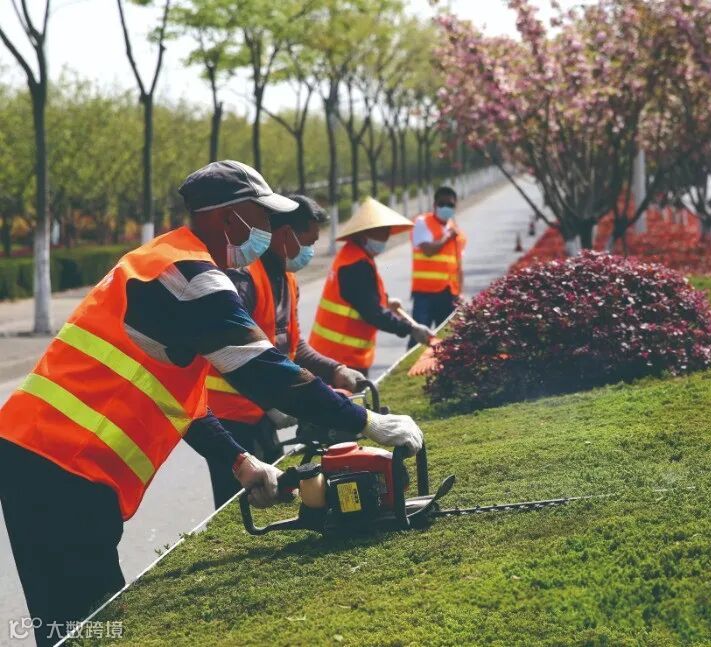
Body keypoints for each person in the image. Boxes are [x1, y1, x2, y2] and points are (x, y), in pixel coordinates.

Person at [0, 161, 423, 647]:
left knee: (73, 617)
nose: (268, 229)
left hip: (47, 458)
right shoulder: (192, 275)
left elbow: (182, 402)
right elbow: (264, 368)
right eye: (263, 217)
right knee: (85, 624)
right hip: (60, 463)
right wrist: (365, 421)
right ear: (230, 217)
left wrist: (240, 462)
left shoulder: (170, 260)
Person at [201, 194, 366, 509]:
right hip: (228, 417)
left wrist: (335, 370)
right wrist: (273, 403)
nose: (310, 251)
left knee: (278, 492)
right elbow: (230, 352)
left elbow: (293, 345)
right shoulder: (243, 280)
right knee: (237, 505)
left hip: (261, 410)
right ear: (285, 234)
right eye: (308, 241)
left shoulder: (288, 280)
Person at [310, 197, 433, 377]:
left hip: (331, 354)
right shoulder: (357, 265)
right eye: (381, 232)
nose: (385, 238)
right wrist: (410, 329)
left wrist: (385, 302)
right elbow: (372, 313)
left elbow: (358, 296)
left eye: (387, 232)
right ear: (364, 234)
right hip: (341, 358)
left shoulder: (352, 255)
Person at [410, 186, 466, 337]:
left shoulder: (457, 233)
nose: (446, 207)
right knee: (420, 339)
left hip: (448, 294)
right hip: (425, 293)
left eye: (450, 205)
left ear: (455, 206)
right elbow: (428, 250)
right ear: (434, 205)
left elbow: (459, 266)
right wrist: (446, 237)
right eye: (442, 204)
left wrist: (460, 293)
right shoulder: (422, 222)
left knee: (446, 339)